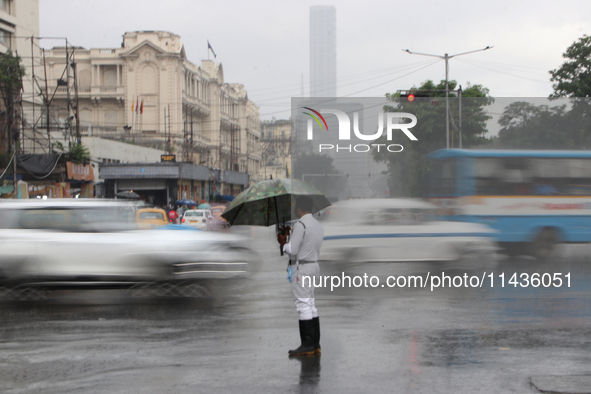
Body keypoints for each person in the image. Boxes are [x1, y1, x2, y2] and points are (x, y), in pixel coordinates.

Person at [277, 196, 324, 357]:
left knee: (302, 304)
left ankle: (307, 345)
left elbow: (293, 250)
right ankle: (315, 343)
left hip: (302, 268)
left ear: (299, 209)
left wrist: (283, 242)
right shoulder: (317, 225)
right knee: (310, 303)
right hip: (314, 266)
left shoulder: (301, 224)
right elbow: (305, 245)